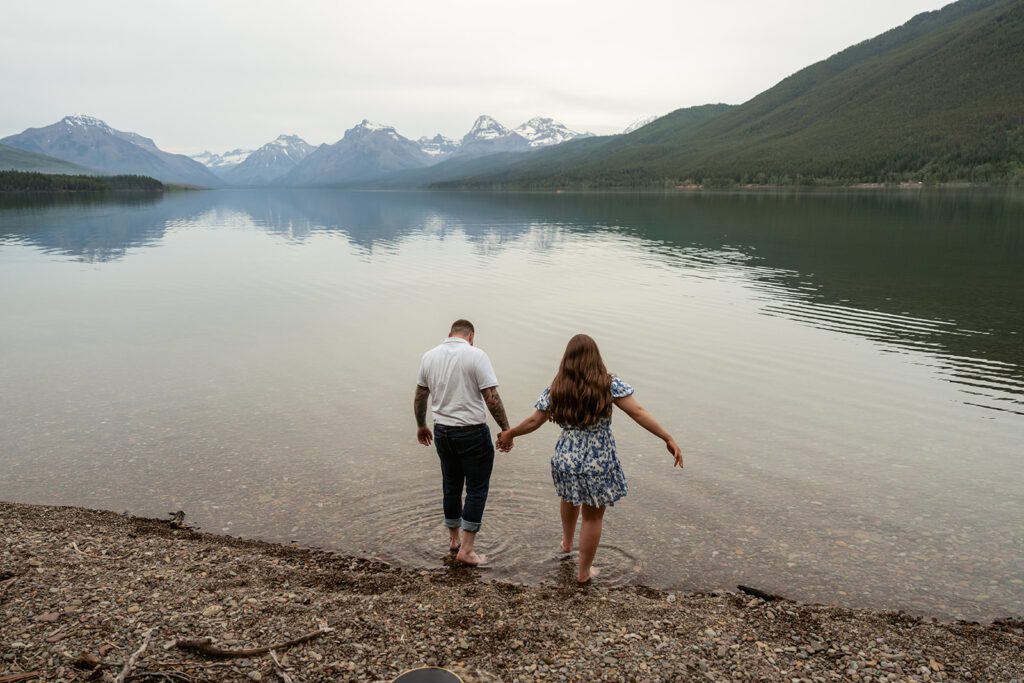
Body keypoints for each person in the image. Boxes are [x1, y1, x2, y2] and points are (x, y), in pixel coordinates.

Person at [497, 334, 682, 584]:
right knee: (593, 517)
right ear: (596, 358)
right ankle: (584, 572)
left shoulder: (557, 388)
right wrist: (666, 437)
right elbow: (638, 412)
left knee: (569, 497)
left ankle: (566, 543)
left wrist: (511, 433)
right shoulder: (608, 385)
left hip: (566, 457)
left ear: (567, 360)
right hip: (598, 459)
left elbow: (534, 421)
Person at [415, 319, 510, 566]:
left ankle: (454, 540)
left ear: (449, 334)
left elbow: (420, 395)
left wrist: (421, 425)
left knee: (451, 485)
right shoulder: (476, 356)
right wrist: (506, 429)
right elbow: (492, 398)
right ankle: (467, 551)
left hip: (442, 431)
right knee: (477, 489)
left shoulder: (429, 356)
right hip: (471, 432)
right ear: (471, 336)